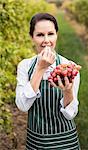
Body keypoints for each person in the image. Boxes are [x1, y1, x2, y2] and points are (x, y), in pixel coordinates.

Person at [15, 13, 81, 150]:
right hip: (37, 141)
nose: (46, 40)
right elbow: (22, 106)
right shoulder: (25, 66)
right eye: (40, 35)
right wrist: (40, 68)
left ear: (56, 35)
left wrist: (68, 91)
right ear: (31, 37)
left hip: (65, 140)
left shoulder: (68, 66)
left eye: (50, 34)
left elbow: (71, 114)